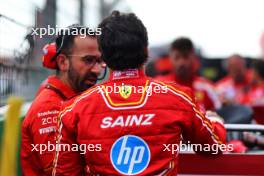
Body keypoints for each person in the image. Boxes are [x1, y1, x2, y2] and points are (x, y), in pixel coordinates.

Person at [53, 11, 226, 176]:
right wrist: (215, 121)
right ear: (146, 51)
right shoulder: (178, 97)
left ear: (103, 57)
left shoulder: (73, 110)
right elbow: (213, 147)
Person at [21, 24, 105, 176]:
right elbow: (60, 171)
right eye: (88, 60)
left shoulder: (76, 99)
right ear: (62, 62)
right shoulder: (50, 108)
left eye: (100, 61)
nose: (97, 69)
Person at [157, 37, 221, 111]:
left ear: (193, 57)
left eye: (185, 57)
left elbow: (218, 114)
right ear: (170, 58)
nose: (181, 63)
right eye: (177, 57)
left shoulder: (207, 87)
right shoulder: (159, 86)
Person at [242, 59, 264, 124]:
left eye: (251, 71)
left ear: (256, 73)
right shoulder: (250, 90)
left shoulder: (260, 90)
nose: (249, 74)